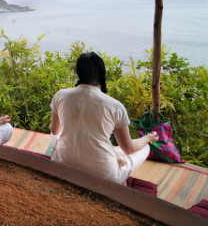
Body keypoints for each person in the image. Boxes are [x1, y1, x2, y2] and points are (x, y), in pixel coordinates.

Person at [49, 52, 158, 184]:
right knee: (145, 147)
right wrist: (148, 138)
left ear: (78, 72)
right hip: (103, 175)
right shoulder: (115, 106)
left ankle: (116, 160)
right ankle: (120, 172)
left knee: (60, 138)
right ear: (101, 74)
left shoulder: (61, 95)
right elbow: (128, 149)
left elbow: (54, 130)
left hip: (62, 164)